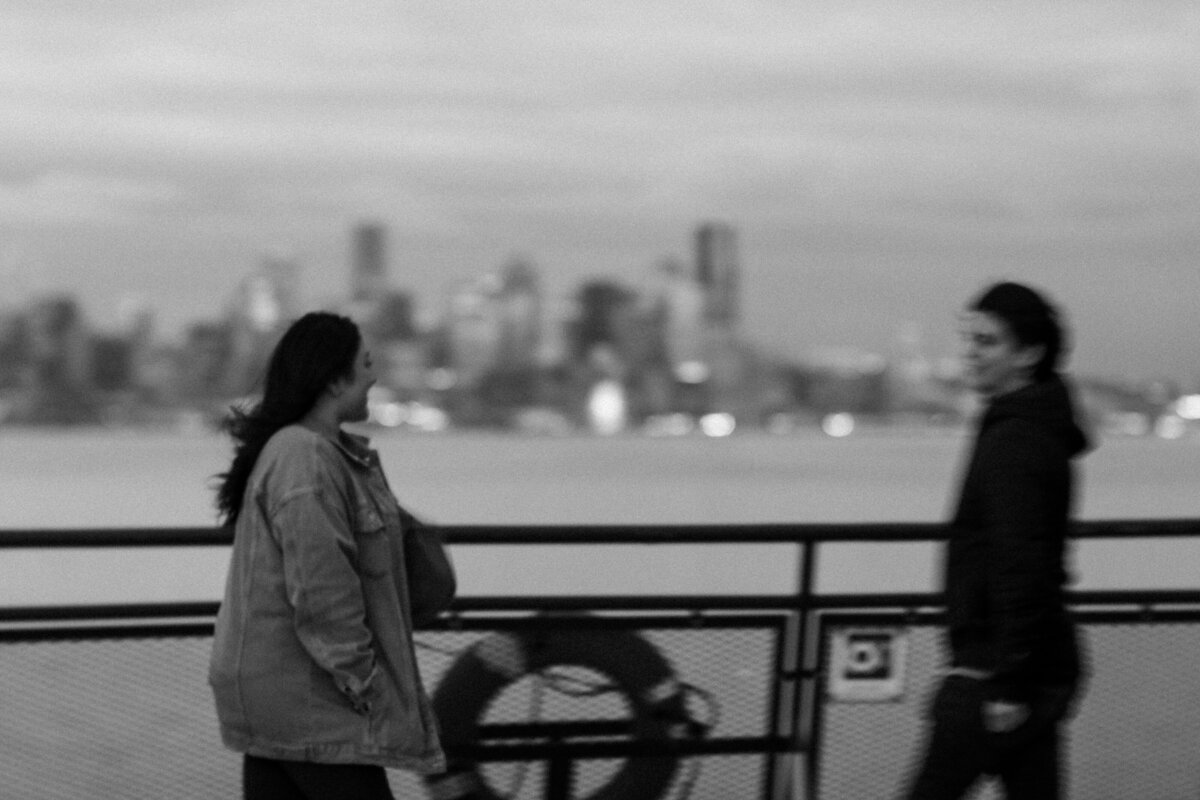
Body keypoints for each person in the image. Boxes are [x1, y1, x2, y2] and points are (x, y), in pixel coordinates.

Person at [208, 311, 456, 800]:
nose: (374, 375)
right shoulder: (306, 458)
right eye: (365, 363)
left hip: (280, 699)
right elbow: (322, 594)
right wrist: (366, 685)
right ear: (334, 378)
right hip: (313, 703)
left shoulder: (327, 454)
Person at [904, 282, 1090, 799]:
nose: (970, 354)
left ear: (1028, 354)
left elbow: (1021, 559)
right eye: (968, 339)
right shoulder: (1031, 426)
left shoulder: (1017, 439)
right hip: (1034, 662)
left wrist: (1008, 681)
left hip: (998, 670)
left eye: (987, 342)